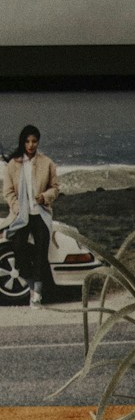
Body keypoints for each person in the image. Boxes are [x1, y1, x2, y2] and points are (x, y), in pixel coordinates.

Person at [3, 126, 60, 306]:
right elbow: (8, 191)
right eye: (27, 141)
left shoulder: (47, 162)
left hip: (40, 213)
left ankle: (38, 292)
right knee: (18, 247)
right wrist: (16, 206)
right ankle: (30, 285)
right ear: (22, 141)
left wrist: (44, 197)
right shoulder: (13, 164)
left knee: (41, 252)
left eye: (34, 141)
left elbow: (55, 188)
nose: (30, 145)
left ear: (38, 142)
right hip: (21, 215)